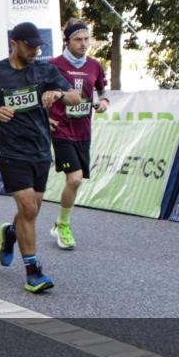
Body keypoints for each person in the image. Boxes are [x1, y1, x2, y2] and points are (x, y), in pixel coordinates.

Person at [0, 21, 82, 293]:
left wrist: (59, 93)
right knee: (29, 209)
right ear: (14, 43)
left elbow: (76, 97)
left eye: (38, 46)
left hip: (41, 149)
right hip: (10, 151)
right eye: (30, 46)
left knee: (30, 211)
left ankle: (11, 233)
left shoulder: (45, 69)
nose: (35, 51)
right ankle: (33, 272)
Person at [47, 19, 109, 250]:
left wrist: (104, 101)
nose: (84, 44)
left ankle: (59, 222)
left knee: (77, 180)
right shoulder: (53, 65)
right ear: (67, 41)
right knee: (74, 177)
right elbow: (37, 92)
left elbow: (103, 89)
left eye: (86, 39)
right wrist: (45, 118)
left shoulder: (95, 65)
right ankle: (63, 225)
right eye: (78, 40)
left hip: (83, 130)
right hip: (61, 129)